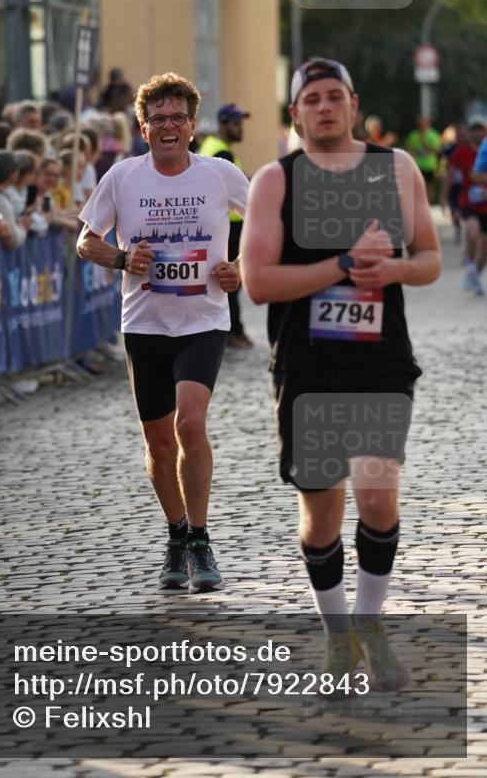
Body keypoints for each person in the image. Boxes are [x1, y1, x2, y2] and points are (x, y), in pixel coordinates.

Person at [240, 57, 441, 688]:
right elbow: (257, 283)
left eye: (335, 96)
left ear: (353, 104)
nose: (324, 107)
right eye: (311, 99)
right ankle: (337, 636)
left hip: (382, 362)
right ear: (295, 113)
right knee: (322, 511)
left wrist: (397, 271)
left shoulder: (397, 168)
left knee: (378, 496)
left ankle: (371, 627)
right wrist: (344, 264)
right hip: (307, 366)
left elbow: (430, 257)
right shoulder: (275, 181)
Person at [77, 72, 248, 593]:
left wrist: (240, 266)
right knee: (157, 442)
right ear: (143, 127)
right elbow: (87, 242)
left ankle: (200, 537)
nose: (168, 126)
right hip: (145, 324)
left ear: (192, 127)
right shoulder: (123, 177)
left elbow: (269, 222)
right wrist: (124, 257)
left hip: (203, 320)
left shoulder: (220, 174)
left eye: (178, 118)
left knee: (190, 425)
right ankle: (176, 533)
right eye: (158, 119)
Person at [199, 103, 253, 349]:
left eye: (241, 123)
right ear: (222, 126)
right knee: (231, 276)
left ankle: (233, 330)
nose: (240, 128)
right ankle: (233, 331)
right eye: (235, 123)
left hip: (226, 223)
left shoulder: (214, 147)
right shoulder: (222, 153)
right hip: (229, 226)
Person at [449, 118, 487, 296]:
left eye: (481, 130)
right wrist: (447, 200)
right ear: (470, 133)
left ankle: (474, 274)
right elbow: (456, 175)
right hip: (468, 201)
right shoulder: (461, 151)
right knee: (473, 231)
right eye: (474, 130)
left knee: (485, 246)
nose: (478, 133)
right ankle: (471, 262)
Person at [405, 114, 442, 202]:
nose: (422, 124)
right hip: (416, 165)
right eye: (420, 122)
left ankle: (429, 205)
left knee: (429, 187)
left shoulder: (433, 135)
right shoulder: (413, 135)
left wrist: (423, 142)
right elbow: (409, 149)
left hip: (429, 165)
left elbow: (436, 150)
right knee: (416, 187)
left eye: (423, 122)